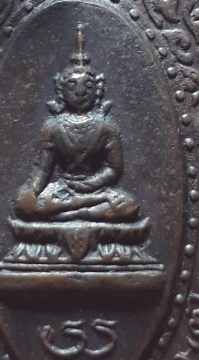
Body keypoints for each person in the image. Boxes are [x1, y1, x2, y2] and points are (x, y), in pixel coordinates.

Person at [15, 25, 139, 223]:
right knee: (24, 204)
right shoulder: (53, 127)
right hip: (64, 189)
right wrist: (32, 191)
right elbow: (43, 170)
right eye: (72, 85)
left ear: (97, 89)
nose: (80, 92)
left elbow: (115, 169)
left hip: (96, 189)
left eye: (87, 86)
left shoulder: (106, 127)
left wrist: (92, 183)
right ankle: (82, 209)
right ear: (61, 89)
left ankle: (74, 212)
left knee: (129, 206)